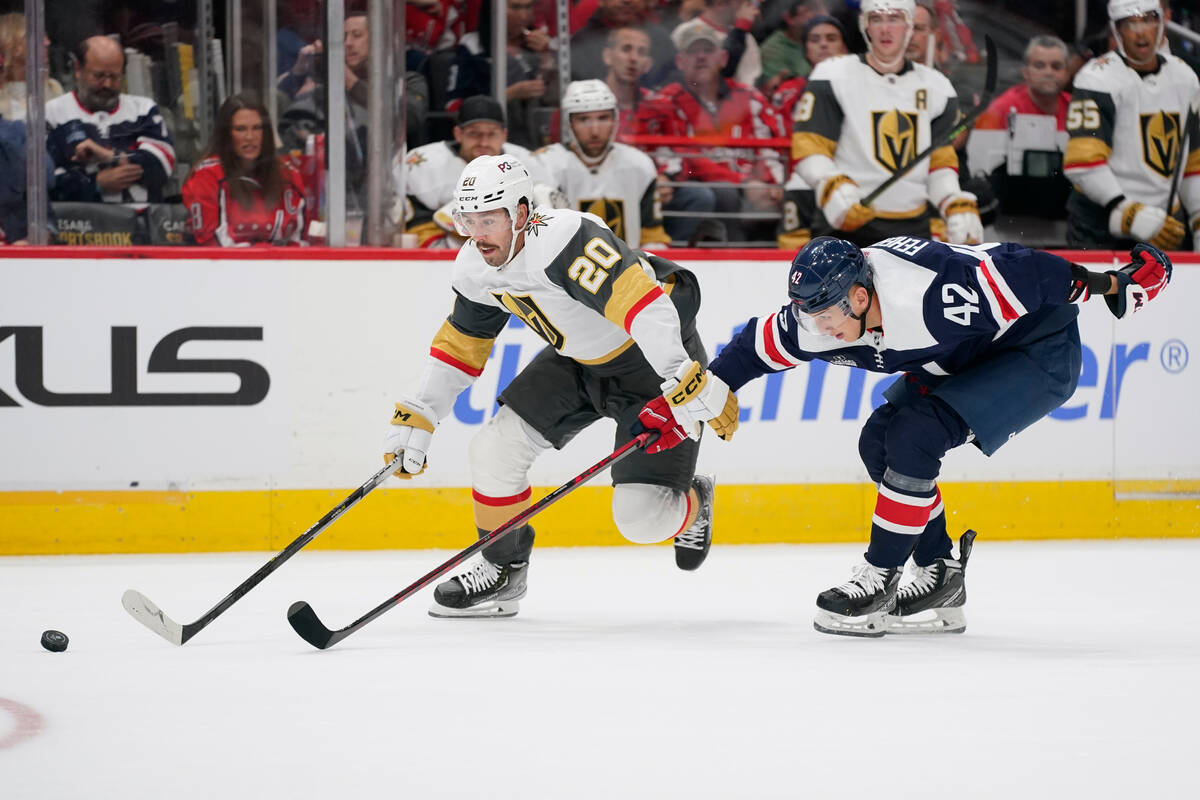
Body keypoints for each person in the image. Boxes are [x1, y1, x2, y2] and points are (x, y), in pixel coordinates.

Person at [694, 234, 1173, 636]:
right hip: (965, 353)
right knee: (879, 440)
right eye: (810, 317)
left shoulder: (931, 294)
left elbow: (1027, 270)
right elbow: (752, 348)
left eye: (827, 316)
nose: (819, 329)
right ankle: (939, 571)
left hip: (1036, 351)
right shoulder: (821, 319)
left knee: (915, 435)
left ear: (860, 297)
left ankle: (880, 576)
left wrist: (1118, 283)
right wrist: (702, 396)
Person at [382, 153, 736, 618]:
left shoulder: (565, 237)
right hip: (576, 362)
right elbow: (461, 345)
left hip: (651, 362)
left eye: (488, 219)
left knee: (641, 520)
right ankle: (502, 569)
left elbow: (643, 307)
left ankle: (694, 501)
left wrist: (683, 376)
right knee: (493, 450)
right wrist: (421, 410)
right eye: (468, 219)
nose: (476, 233)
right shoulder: (474, 265)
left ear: (522, 214)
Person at [789, 0, 983, 248]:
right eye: (876, 18)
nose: (885, 28)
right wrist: (829, 184)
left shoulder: (938, 87)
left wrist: (954, 202)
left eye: (894, 18)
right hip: (844, 225)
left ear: (910, 25)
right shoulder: (832, 75)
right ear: (864, 25)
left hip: (913, 231)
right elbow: (809, 148)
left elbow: (940, 165)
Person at [1063, 0, 1200, 251]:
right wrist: (1125, 208)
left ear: (1162, 22)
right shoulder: (1096, 78)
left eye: (1148, 19)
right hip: (1101, 225)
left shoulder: (1186, 78)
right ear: (1116, 29)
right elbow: (1082, 163)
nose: (1140, 30)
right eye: (1130, 22)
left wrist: (1198, 217)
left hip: (1166, 225)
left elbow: (1193, 162)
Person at [636, 23, 786, 243]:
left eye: (708, 50)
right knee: (724, 193)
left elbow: (768, 146)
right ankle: (735, 259)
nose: (701, 57)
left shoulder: (750, 97)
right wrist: (743, 182)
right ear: (680, 62)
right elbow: (687, 158)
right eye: (693, 51)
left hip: (753, 186)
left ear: (724, 58)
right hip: (705, 188)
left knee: (787, 195)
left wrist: (774, 183)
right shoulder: (666, 101)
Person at [531, 80, 670, 248]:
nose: (595, 131)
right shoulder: (544, 164)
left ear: (615, 120)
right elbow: (540, 238)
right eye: (583, 120)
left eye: (603, 118)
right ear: (569, 123)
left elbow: (653, 236)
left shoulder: (639, 165)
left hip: (629, 269)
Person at [396, 95, 543, 248]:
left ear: (504, 135)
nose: (484, 142)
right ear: (458, 134)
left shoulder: (526, 163)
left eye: (492, 134)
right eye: (474, 134)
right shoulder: (422, 162)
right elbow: (414, 222)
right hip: (445, 253)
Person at [45, 35, 175, 204]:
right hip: (79, 225)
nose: (107, 84)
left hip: (142, 224)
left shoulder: (143, 110)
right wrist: (96, 183)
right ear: (78, 69)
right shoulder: (53, 113)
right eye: (98, 76)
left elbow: (161, 166)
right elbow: (46, 181)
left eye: (114, 77)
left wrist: (110, 157)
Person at [181, 93, 309, 246]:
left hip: (279, 268)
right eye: (240, 129)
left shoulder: (288, 175)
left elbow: (299, 242)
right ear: (226, 134)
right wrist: (265, 254)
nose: (250, 137)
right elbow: (211, 244)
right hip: (224, 269)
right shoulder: (207, 176)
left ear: (266, 133)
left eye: (257, 128)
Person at [971, 35, 1073, 221]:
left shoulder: (1076, 108)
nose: (1048, 72)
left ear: (1067, 73)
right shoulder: (1000, 110)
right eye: (1040, 65)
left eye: (1056, 66)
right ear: (1025, 72)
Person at [772, 14, 849, 249]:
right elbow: (779, 138)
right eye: (815, 39)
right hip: (802, 174)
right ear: (805, 49)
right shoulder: (786, 92)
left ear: (844, 47)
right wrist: (777, 178)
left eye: (831, 38)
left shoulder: (864, 88)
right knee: (798, 185)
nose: (823, 44)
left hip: (854, 172)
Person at [672, 1, 764, 89]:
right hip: (694, 101)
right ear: (720, 4)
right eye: (744, 3)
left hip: (742, 102)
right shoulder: (684, 31)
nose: (754, 11)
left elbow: (752, 81)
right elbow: (683, 80)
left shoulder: (746, 37)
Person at [0, 12, 64, 121]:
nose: (47, 42)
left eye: (45, 36)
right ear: (12, 46)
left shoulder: (53, 88)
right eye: (38, 37)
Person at [759, 0, 830, 95]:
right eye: (810, 10)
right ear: (789, 18)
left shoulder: (828, 40)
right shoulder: (774, 49)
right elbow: (773, 91)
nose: (819, 14)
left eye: (820, 9)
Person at [601, 25, 655, 139]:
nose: (633, 58)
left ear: (648, 65)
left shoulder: (657, 107)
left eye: (641, 52)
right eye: (626, 49)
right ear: (607, 56)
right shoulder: (584, 104)